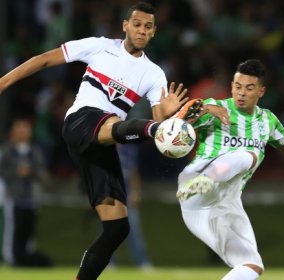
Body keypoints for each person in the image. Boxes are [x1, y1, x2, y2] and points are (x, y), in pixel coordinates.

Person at [0, 2, 202, 279]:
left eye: (148, 27)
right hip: (81, 122)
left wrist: (168, 117)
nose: (142, 30)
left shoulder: (154, 74)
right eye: (137, 24)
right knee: (115, 123)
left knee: (118, 227)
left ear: (154, 31)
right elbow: (45, 59)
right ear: (125, 25)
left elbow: (162, 134)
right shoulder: (99, 46)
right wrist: (3, 81)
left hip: (103, 142)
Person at [176, 59, 284, 280]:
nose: (241, 93)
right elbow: (177, 126)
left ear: (261, 91)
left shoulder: (267, 120)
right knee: (248, 154)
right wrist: (205, 108)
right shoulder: (215, 107)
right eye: (237, 86)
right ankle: (206, 180)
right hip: (196, 186)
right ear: (231, 86)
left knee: (251, 266)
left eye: (249, 88)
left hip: (225, 203)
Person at [0, 118, 52, 267]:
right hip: (14, 196)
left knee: (29, 231)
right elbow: (3, 171)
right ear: (13, 132)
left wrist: (30, 172)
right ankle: (11, 258)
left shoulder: (34, 150)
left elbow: (42, 172)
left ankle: (26, 259)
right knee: (13, 229)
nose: (23, 133)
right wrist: (17, 173)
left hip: (31, 197)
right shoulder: (8, 150)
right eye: (19, 130)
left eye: (25, 130)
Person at [116, 143, 152, 269]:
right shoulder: (101, 147)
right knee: (108, 232)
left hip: (126, 196)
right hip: (108, 196)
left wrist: (135, 193)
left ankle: (142, 262)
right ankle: (109, 263)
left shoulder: (128, 149)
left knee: (134, 231)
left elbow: (134, 172)